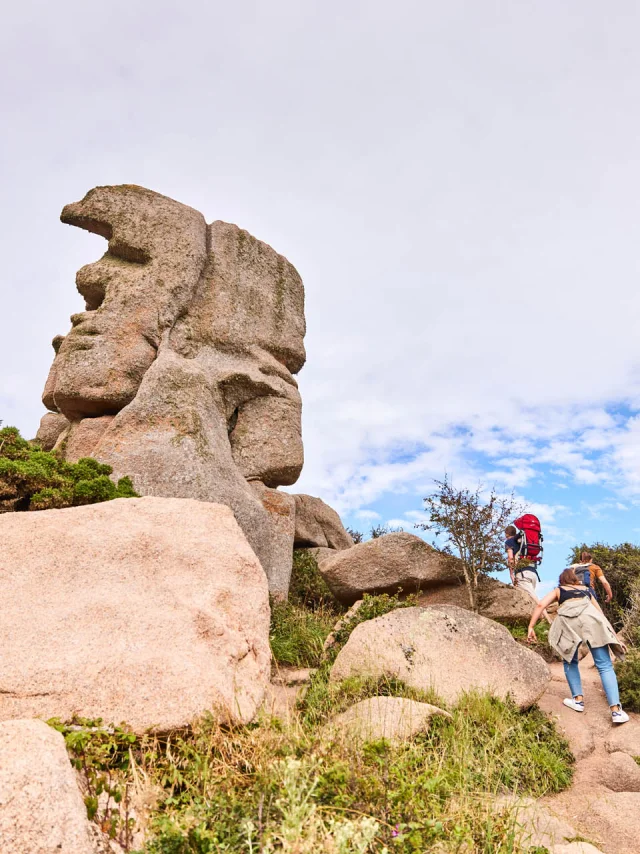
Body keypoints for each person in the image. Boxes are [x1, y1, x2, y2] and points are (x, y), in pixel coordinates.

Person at [528, 568, 629, 724]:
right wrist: (616, 638)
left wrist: (531, 627)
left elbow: (541, 604)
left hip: (569, 625)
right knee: (605, 666)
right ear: (575, 579)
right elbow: (600, 615)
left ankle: (578, 701)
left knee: (570, 660)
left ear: (561, 581)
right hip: (592, 623)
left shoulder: (559, 590)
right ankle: (616, 711)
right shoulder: (586, 591)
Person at [505, 525, 541, 602]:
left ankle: (545, 610)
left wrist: (511, 575)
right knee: (529, 601)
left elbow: (511, 559)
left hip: (522, 574)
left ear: (506, 534)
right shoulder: (524, 541)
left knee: (535, 601)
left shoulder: (509, 542)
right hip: (533, 573)